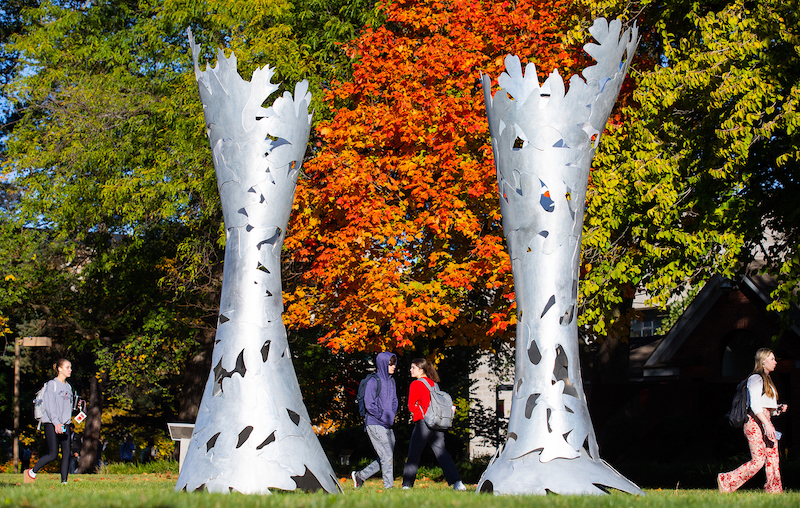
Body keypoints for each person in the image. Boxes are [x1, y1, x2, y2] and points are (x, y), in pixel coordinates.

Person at [718, 348, 788, 493]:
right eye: (772, 359)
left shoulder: (767, 380)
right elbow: (755, 406)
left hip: (765, 421)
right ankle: (726, 480)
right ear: (763, 361)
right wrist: (767, 424)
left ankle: (774, 491)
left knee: (773, 459)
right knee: (759, 460)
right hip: (754, 423)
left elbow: (765, 406)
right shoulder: (756, 379)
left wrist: (777, 409)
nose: (775, 362)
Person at [401, 358, 466, 491]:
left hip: (423, 423)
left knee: (414, 453)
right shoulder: (434, 384)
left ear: (421, 369)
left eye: (413, 367)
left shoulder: (416, 384)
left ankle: (407, 485)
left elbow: (411, 407)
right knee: (442, 453)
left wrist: (418, 410)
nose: (410, 370)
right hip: (437, 423)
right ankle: (457, 483)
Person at [352, 352, 398, 489]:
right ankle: (389, 488)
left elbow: (394, 400)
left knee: (386, 457)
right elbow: (369, 404)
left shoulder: (392, 381)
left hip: (388, 424)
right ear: (383, 364)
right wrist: (382, 416)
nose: (393, 366)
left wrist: (392, 414)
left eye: (394, 363)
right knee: (387, 455)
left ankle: (360, 476)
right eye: (390, 364)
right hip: (375, 423)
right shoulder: (373, 381)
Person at [24, 358, 74, 485]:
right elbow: (50, 406)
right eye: (67, 367)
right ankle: (32, 472)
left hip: (65, 424)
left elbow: (67, 407)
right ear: (59, 369)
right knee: (53, 454)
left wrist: (67, 421)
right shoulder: (52, 384)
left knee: (67, 453)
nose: (70, 370)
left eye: (70, 367)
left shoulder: (68, 387)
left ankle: (64, 482)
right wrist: (56, 422)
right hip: (51, 423)